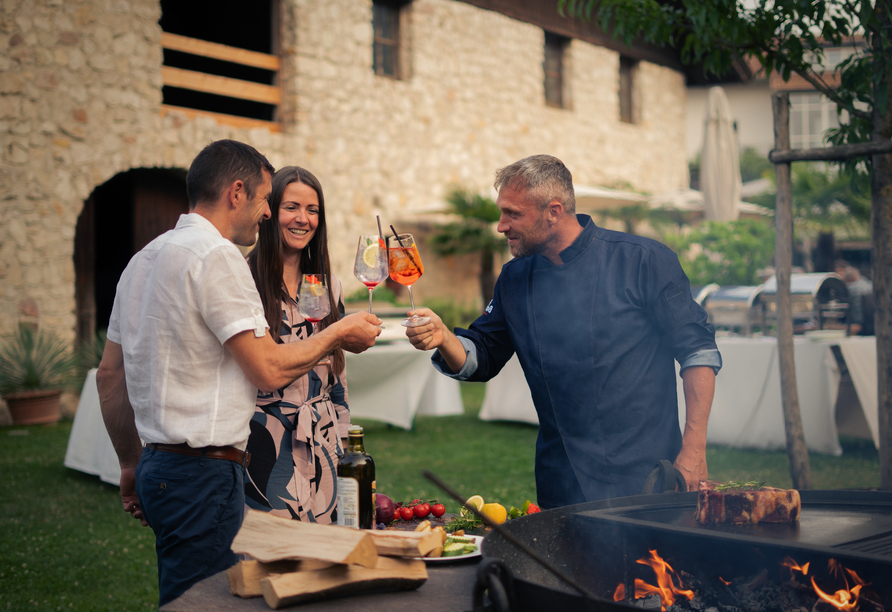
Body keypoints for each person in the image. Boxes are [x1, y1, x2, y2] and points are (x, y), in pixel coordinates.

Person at [96, 140, 381, 606]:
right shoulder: (220, 257)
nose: (266, 212)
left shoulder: (143, 258)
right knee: (210, 601)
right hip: (204, 472)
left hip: (158, 467)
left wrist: (130, 463)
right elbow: (267, 369)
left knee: (184, 597)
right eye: (267, 199)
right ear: (236, 193)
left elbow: (109, 376)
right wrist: (336, 333)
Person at [406, 155, 721, 508]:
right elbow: (483, 355)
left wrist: (694, 451)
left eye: (512, 214)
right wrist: (443, 337)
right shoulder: (514, 277)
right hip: (561, 479)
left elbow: (698, 352)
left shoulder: (642, 260)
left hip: (646, 475)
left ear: (553, 212)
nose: (500, 226)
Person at [244, 166, 350, 523]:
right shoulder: (242, 281)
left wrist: (345, 441)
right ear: (270, 211)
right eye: (291, 207)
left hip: (324, 441)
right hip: (264, 443)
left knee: (329, 545)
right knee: (273, 546)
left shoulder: (328, 286)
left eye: (312, 210)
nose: (303, 219)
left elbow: (337, 377)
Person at [835, 260, 874, 336]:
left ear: (847, 279)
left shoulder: (851, 289)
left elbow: (856, 316)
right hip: (872, 325)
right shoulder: (869, 284)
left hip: (859, 327)